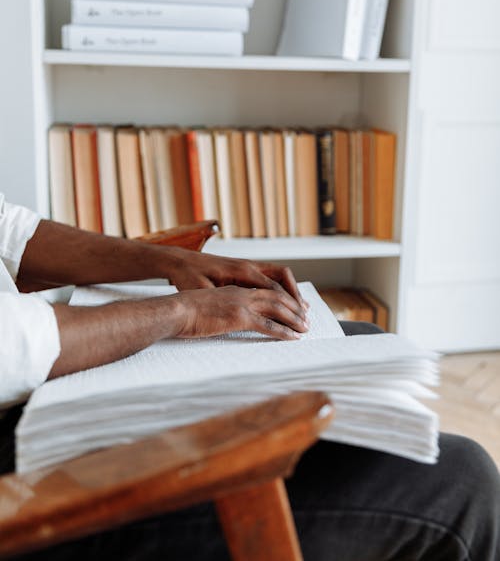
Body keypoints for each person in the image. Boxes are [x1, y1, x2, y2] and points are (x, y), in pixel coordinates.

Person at [1, 192, 499, 561]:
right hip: (25, 489)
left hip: (41, 388)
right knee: (460, 483)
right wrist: (181, 312)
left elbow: (10, 232)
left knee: (361, 341)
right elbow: (18, 346)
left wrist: (173, 261)